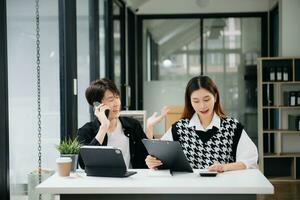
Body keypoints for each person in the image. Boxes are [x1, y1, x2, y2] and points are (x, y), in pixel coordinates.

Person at [145, 75, 258, 172]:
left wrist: (224, 167)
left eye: (206, 99)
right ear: (190, 102)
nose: (202, 106)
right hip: (189, 191)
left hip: (223, 189)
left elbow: (249, 159)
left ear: (215, 97)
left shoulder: (232, 127)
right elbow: (162, 158)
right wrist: (153, 161)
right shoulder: (179, 128)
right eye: (196, 101)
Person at [77, 78, 167, 169]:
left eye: (117, 97)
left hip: (131, 181)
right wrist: (104, 127)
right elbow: (84, 163)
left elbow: (147, 157)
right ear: (97, 105)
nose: (116, 103)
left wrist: (149, 128)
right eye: (111, 99)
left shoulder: (132, 125)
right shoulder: (86, 131)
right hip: (101, 182)